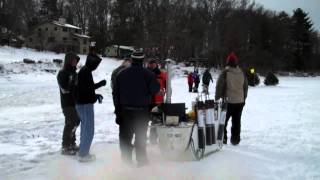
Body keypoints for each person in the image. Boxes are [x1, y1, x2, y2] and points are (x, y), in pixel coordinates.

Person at [113, 51, 160, 166]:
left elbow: (115, 94)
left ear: (132, 60)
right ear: (142, 60)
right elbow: (155, 89)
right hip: (142, 112)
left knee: (125, 137)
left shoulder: (121, 74)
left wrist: (117, 111)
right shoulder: (148, 74)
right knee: (140, 137)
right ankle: (141, 161)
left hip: (125, 111)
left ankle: (126, 161)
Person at [75, 46, 106, 162]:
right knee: (89, 129)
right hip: (85, 104)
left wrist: (96, 93)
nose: (97, 67)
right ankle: (83, 155)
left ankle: (83, 150)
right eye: (96, 64)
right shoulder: (86, 71)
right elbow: (86, 90)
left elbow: (87, 88)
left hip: (81, 103)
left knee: (84, 127)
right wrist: (96, 93)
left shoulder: (84, 71)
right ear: (92, 63)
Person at [215, 52, 248, 145]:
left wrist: (217, 98)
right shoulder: (242, 72)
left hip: (228, 102)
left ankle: (223, 139)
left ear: (228, 62)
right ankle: (235, 140)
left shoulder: (225, 73)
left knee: (223, 121)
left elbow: (219, 86)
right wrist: (243, 98)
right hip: (240, 102)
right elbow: (245, 87)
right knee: (236, 121)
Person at [57, 52, 80, 155]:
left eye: (76, 60)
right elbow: (65, 89)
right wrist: (71, 82)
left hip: (75, 102)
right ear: (69, 60)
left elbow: (78, 88)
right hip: (67, 103)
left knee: (76, 122)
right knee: (71, 123)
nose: (76, 62)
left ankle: (72, 143)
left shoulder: (74, 73)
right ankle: (65, 146)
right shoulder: (62, 73)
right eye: (74, 60)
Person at [148, 60, 167, 144]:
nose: (152, 66)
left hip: (158, 102)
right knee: (144, 121)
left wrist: (166, 93)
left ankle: (154, 140)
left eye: (154, 64)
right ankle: (142, 140)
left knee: (157, 122)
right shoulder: (146, 73)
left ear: (156, 65)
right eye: (151, 64)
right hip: (147, 101)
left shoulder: (162, 74)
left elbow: (167, 86)